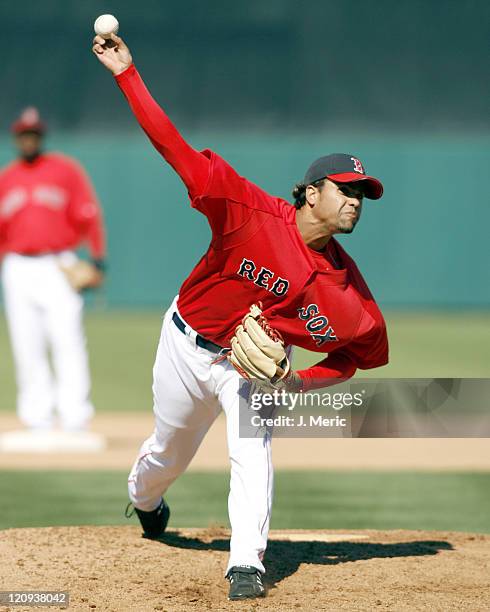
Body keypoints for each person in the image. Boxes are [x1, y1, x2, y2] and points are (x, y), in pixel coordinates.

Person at [92, 34, 388, 600]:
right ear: (309, 193)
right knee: (166, 453)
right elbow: (175, 148)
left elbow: (357, 357)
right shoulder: (247, 209)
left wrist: (299, 379)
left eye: (362, 194)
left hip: (249, 371)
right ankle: (145, 500)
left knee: (253, 446)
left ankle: (246, 564)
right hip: (185, 344)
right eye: (345, 189)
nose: (354, 200)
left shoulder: (349, 298)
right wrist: (127, 75)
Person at [0, 107, 107, 448]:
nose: (28, 138)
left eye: (33, 133)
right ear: (17, 138)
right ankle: (37, 417)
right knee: (25, 342)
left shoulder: (65, 171)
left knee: (67, 339)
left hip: (58, 264)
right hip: (17, 266)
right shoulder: (7, 179)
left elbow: (90, 216)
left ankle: (75, 415)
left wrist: (98, 260)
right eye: (23, 134)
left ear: (40, 136)